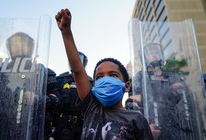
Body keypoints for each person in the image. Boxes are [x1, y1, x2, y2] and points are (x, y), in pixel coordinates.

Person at [55, 8, 153, 140]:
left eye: (113, 75)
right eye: (99, 77)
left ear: (127, 86)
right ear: (94, 86)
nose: (105, 80)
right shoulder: (91, 108)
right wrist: (66, 31)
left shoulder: (137, 119)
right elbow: (77, 70)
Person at [125, 42, 202, 140]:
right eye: (150, 53)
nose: (154, 55)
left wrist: (182, 89)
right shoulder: (140, 77)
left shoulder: (172, 75)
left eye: (157, 52)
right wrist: (144, 127)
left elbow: (190, 101)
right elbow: (133, 105)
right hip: (155, 130)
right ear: (144, 57)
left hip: (179, 129)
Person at [0, 32, 47, 139]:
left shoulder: (40, 70)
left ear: (30, 46)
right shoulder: (1, 70)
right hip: (2, 124)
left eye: (22, 42)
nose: (18, 46)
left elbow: (55, 99)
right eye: (14, 43)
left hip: (30, 124)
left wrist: (37, 98)